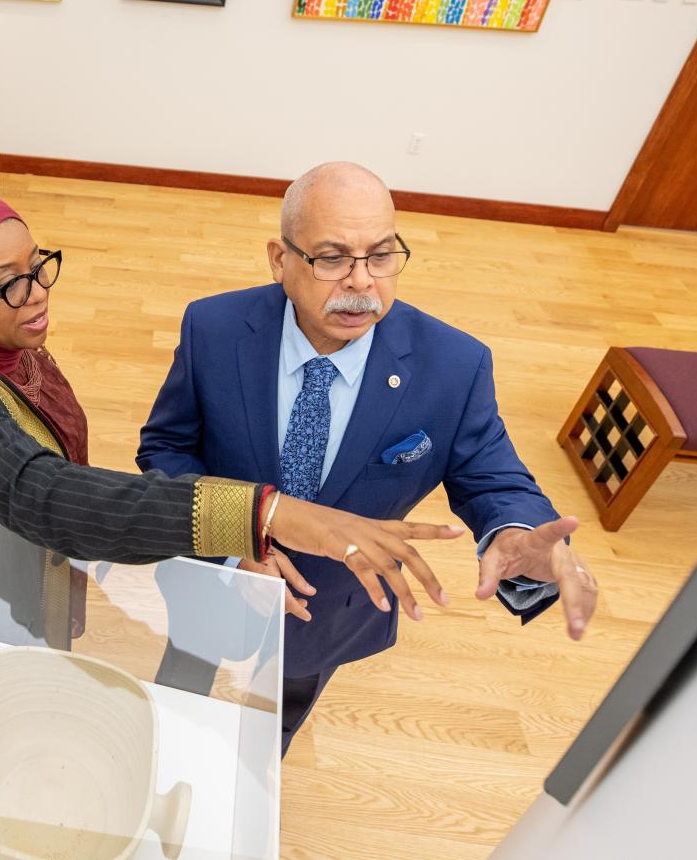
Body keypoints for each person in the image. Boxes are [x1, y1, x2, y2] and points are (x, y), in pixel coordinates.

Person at [138, 162, 600, 751]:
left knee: (275, 717)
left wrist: (517, 530)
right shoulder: (214, 327)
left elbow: (492, 473)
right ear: (280, 260)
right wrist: (232, 540)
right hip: (213, 579)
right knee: (181, 687)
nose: (361, 284)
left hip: (333, 609)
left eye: (381, 256)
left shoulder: (453, 367)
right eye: (331, 258)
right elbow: (167, 447)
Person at [0, 190, 469, 612]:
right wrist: (264, 513)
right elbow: (45, 495)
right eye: (10, 282)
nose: (37, 293)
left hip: (24, 575)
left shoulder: (6, 348)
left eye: (39, 266)